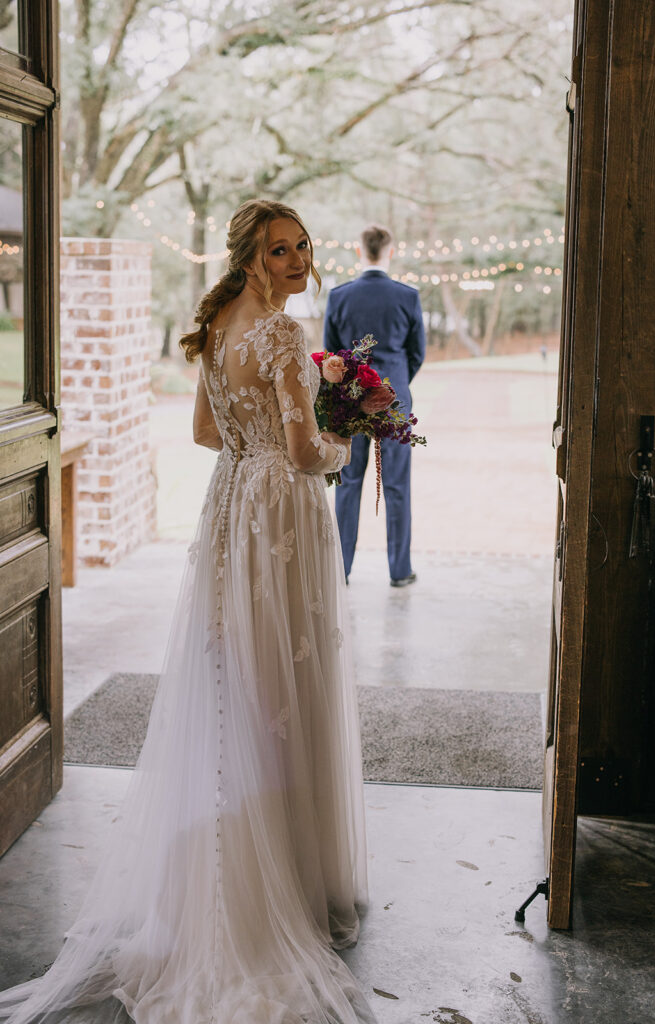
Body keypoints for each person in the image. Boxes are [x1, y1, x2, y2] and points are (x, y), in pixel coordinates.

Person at [0, 200, 376, 1024]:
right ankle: (283, 878)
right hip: (282, 509)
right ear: (251, 258)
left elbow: (208, 431)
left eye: (304, 246)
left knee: (238, 681)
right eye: (283, 250)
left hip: (232, 506)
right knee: (286, 675)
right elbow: (310, 450)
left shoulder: (215, 328)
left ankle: (239, 859)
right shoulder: (278, 334)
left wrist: (260, 452)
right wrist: (350, 435)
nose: (300, 260)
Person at [324, 224, 426, 587]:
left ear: (359, 251)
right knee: (397, 485)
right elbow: (417, 354)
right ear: (390, 252)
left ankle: (341, 569)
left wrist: (354, 389)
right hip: (395, 401)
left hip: (349, 401)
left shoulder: (339, 296)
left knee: (348, 482)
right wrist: (394, 384)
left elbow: (331, 355)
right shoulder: (408, 296)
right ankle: (400, 571)